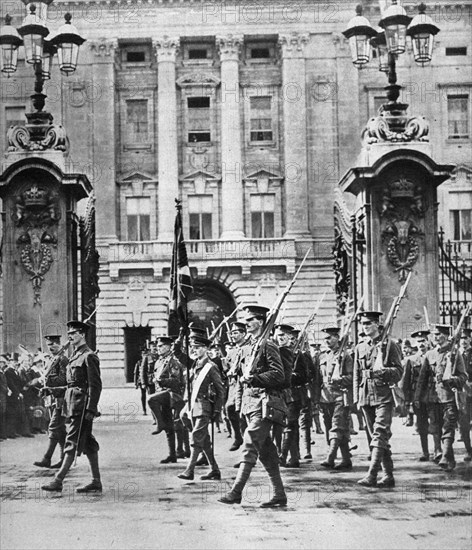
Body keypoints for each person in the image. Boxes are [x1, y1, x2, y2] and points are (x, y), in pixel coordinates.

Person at [218, 305, 287, 508]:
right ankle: (279, 494)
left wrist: (255, 378)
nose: (247, 323)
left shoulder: (268, 345)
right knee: (266, 451)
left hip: (265, 403)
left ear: (261, 322)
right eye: (246, 320)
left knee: (249, 444)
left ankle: (236, 491)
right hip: (251, 404)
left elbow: (279, 375)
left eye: (251, 320)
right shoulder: (249, 347)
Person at [42, 320, 102, 493]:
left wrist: (91, 409)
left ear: (82, 334)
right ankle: (96, 481)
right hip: (72, 404)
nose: (70, 336)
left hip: (82, 407)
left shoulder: (89, 356)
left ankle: (58, 480)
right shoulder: (75, 355)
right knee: (89, 443)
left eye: (73, 333)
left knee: (72, 441)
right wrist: (51, 389)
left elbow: (95, 385)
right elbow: (71, 384)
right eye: (68, 334)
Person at [353, 311, 403, 488]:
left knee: (380, 433)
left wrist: (382, 372)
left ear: (377, 325)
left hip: (383, 396)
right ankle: (388, 475)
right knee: (373, 438)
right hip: (366, 395)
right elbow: (356, 375)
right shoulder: (360, 346)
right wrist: (356, 397)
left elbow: (398, 372)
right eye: (363, 324)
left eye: (368, 323)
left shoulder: (390, 345)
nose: (364, 327)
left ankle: (372, 474)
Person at [415, 324, 467, 471]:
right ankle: (449, 459)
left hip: (450, 396)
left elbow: (463, 376)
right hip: (433, 397)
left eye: (438, 334)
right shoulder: (430, 355)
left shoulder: (455, 354)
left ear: (445, 335)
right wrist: (418, 397)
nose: (435, 337)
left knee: (449, 426)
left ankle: (444, 455)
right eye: (434, 334)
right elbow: (422, 379)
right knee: (436, 428)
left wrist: (452, 380)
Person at [177, 336, 224, 481]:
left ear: (206, 349)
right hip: (192, 405)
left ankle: (189, 470)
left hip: (204, 406)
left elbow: (220, 390)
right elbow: (178, 353)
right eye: (193, 347)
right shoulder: (195, 364)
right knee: (202, 438)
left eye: (197, 347)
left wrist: (216, 410)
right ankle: (215, 470)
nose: (194, 350)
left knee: (197, 437)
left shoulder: (211, 366)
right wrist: (180, 337)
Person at [318, 326, 353, 470]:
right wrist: (316, 398)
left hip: (340, 395)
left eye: (330, 338)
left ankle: (330, 457)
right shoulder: (322, 356)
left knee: (337, 426)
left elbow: (352, 377)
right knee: (337, 429)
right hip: (325, 397)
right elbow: (318, 379)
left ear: (337, 338)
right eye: (325, 338)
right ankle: (346, 459)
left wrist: (340, 379)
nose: (327, 341)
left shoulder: (346, 356)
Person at [147, 335, 185, 463]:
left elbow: (177, 381)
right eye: (157, 346)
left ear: (169, 347)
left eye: (161, 346)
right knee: (169, 426)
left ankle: (159, 424)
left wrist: (162, 381)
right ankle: (172, 455)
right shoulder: (158, 361)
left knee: (150, 400)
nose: (158, 348)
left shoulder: (173, 361)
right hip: (162, 394)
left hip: (172, 394)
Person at [33, 334, 69, 468]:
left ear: (59, 344)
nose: (51, 347)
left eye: (54, 344)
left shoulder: (63, 360)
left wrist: (47, 380)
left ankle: (47, 458)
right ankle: (63, 459)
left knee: (53, 427)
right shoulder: (52, 360)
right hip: (53, 399)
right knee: (60, 431)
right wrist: (45, 389)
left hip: (61, 400)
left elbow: (64, 380)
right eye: (49, 345)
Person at [400, 330, 432, 461]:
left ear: (428, 342)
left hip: (433, 395)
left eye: (423, 341)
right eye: (419, 342)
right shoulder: (411, 360)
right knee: (422, 425)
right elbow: (405, 382)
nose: (421, 344)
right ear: (415, 344)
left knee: (437, 423)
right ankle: (425, 452)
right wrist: (406, 400)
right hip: (418, 397)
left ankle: (438, 450)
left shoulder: (433, 356)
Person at [225, 322, 249, 451]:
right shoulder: (232, 352)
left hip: (245, 386)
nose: (232, 336)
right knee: (229, 409)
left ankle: (247, 447)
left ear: (243, 334)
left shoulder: (250, 348)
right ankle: (237, 437)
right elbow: (226, 369)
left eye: (235, 333)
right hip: (233, 387)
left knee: (244, 417)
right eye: (231, 333)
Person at [459, 327, 472, 462]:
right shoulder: (457, 355)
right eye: (461, 338)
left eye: (466, 338)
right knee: (464, 423)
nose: (463, 341)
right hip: (463, 393)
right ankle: (469, 450)